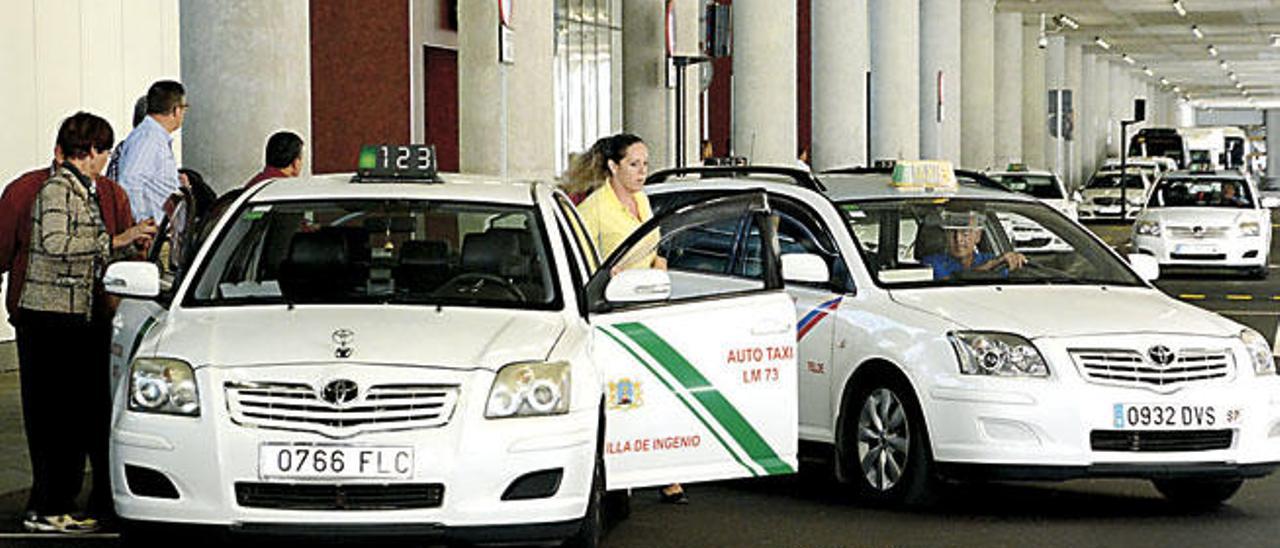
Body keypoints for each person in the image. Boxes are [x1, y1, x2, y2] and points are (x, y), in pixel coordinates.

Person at [4, 113, 155, 533]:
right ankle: (50, 508)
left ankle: (56, 505)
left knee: (65, 415)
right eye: (104, 151)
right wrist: (116, 240)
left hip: (67, 316)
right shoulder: (57, 189)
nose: (107, 159)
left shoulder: (82, 188)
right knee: (56, 417)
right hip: (51, 319)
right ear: (88, 151)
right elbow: (53, 242)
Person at [574, 134, 683, 504]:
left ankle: (663, 471)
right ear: (613, 167)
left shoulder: (642, 200)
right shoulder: (594, 209)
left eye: (645, 164)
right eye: (634, 164)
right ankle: (622, 475)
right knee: (623, 397)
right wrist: (608, 276)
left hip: (648, 307)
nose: (641, 172)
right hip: (612, 316)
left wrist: (659, 264)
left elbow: (653, 245)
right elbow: (582, 264)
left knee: (655, 391)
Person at [114, 80, 189, 223]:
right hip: (153, 234)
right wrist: (143, 222)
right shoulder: (148, 138)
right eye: (184, 108)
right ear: (176, 110)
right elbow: (129, 182)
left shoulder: (154, 136)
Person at [921, 210, 1026, 281]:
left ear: (977, 236)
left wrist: (1017, 260)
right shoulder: (932, 263)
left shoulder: (990, 259)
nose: (958, 239)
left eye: (965, 233)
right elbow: (951, 284)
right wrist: (989, 267)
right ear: (945, 237)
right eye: (952, 233)